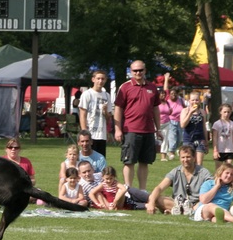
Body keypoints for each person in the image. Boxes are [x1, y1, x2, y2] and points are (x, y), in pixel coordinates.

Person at [113, 60, 162, 190]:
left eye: (140, 70)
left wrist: (158, 128)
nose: (138, 73)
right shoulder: (125, 87)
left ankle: (142, 190)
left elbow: (156, 109)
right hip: (131, 130)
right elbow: (118, 108)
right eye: (135, 70)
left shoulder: (152, 87)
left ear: (145, 71)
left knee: (144, 162)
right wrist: (118, 129)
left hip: (148, 130)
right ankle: (128, 190)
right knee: (129, 161)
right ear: (131, 72)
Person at [145, 145, 213, 216]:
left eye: (188, 157)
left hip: (197, 203)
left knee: (208, 201)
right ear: (180, 159)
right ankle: (181, 210)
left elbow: (213, 188)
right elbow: (159, 188)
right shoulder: (175, 172)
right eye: (183, 157)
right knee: (156, 198)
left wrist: (199, 204)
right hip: (178, 203)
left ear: (194, 158)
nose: (185, 160)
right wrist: (151, 203)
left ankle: (179, 210)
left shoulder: (203, 172)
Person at [78, 70, 112, 157]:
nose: (100, 81)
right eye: (98, 78)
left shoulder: (107, 95)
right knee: (88, 158)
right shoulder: (87, 94)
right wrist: (84, 132)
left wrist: (105, 111)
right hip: (90, 132)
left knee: (100, 159)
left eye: (103, 79)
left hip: (101, 134)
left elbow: (109, 117)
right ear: (93, 79)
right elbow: (82, 114)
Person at [159, 78, 184, 161]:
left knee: (180, 139)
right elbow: (166, 90)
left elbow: (184, 107)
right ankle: (171, 152)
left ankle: (173, 150)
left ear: (177, 94)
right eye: (171, 93)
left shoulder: (180, 100)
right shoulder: (168, 100)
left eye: (174, 93)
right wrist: (166, 79)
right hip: (171, 121)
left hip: (180, 121)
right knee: (172, 137)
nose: (173, 95)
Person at [180, 90, 208, 166]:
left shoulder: (202, 112)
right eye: (192, 100)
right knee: (189, 163)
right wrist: (190, 113)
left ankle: (198, 177)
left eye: (197, 100)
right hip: (188, 140)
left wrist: (206, 141)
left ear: (200, 100)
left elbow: (204, 127)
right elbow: (182, 125)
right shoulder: (185, 111)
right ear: (189, 101)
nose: (194, 102)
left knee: (199, 164)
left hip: (200, 139)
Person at [211, 103, 233, 170]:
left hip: (229, 149)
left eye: (228, 112)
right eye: (225, 112)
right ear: (220, 112)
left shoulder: (232, 124)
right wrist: (215, 150)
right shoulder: (217, 124)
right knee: (218, 170)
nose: (226, 114)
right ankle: (217, 180)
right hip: (220, 149)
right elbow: (214, 137)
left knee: (228, 169)